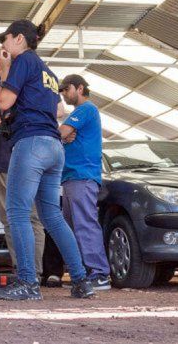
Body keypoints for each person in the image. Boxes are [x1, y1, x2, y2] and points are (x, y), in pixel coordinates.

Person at [0, 19, 94, 301]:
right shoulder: (48, 71)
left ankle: (27, 283)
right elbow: (59, 109)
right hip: (53, 148)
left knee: (18, 212)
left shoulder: (23, 61)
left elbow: (4, 102)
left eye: (6, 39)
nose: (4, 46)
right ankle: (81, 281)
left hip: (32, 142)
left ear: (20, 39)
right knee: (52, 216)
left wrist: (4, 71)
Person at [0, 63, 45, 276]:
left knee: (13, 218)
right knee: (33, 218)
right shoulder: (35, 82)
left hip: (7, 160)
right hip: (35, 158)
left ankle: (24, 271)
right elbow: (58, 110)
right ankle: (37, 272)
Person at [58, 74, 111, 290]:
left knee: (85, 225)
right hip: (72, 177)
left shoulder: (86, 109)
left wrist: (63, 133)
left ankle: (99, 274)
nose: (63, 93)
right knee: (73, 227)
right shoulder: (77, 113)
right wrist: (63, 134)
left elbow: (62, 132)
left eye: (66, 89)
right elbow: (63, 134)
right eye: (61, 90)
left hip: (82, 176)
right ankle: (84, 275)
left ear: (80, 88)